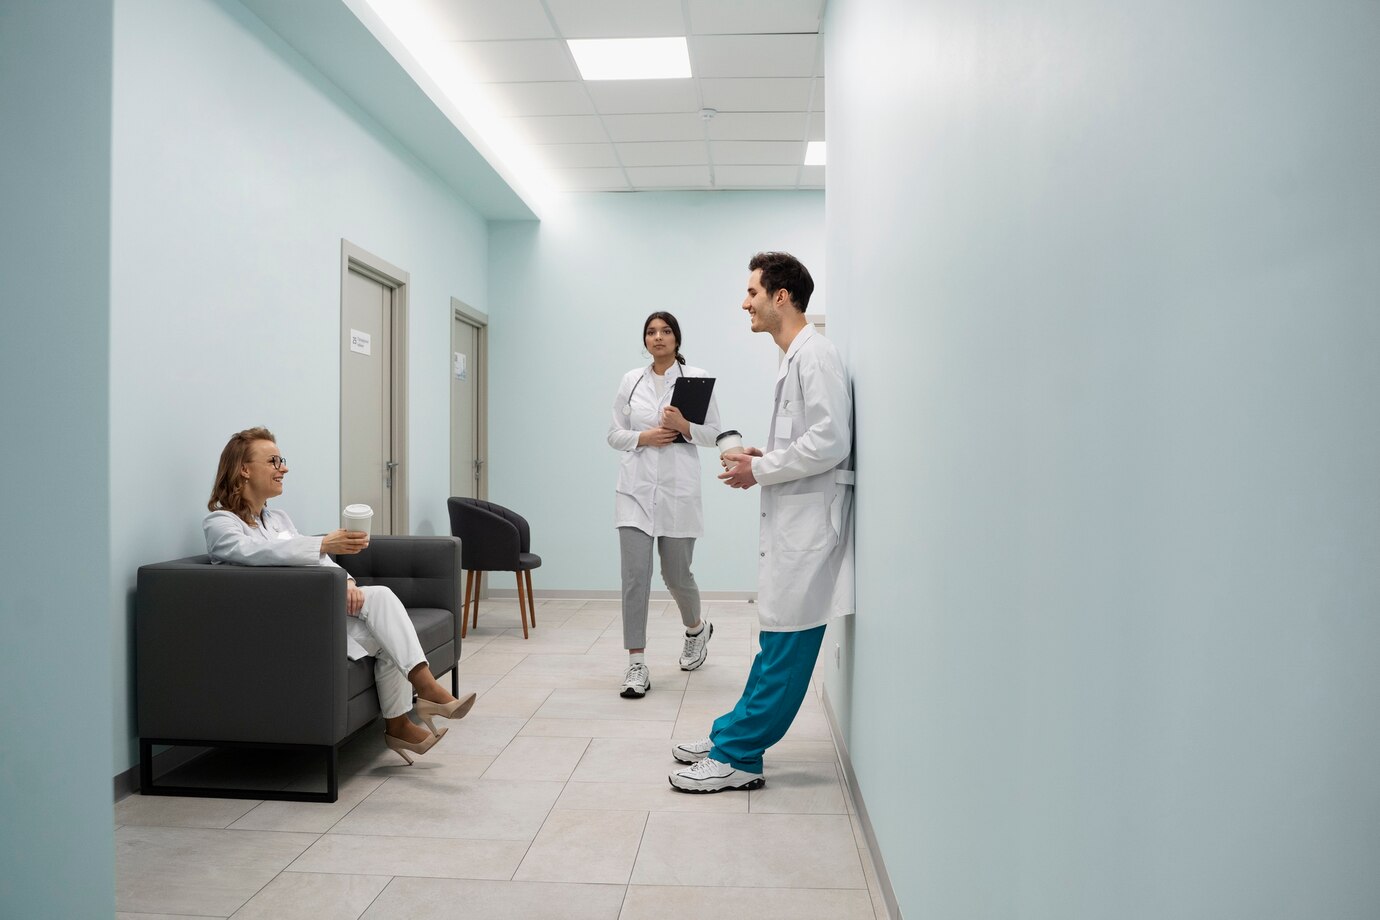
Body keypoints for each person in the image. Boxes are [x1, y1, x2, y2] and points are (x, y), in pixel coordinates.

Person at [669, 252, 854, 793]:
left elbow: (831, 440)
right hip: (794, 521)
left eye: (752, 292)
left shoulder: (815, 356)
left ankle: (740, 756)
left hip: (810, 530)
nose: (743, 302)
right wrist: (761, 457)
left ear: (781, 296)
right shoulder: (794, 358)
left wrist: (763, 469)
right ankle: (732, 732)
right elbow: (810, 439)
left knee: (787, 647)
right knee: (774, 641)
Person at [203, 427, 476, 765]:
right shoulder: (220, 524)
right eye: (273, 461)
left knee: (387, 627)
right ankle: (423, 696)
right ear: (244, 469)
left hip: (316, 614)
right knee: (382, 604)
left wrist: (345, 580)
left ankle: (401, 723)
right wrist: (322, 544)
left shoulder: (278, 518)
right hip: (279, 629)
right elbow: (255, 553)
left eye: (282, 460)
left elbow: (315, 558)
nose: (283, 468)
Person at [607, 312, 722, 697]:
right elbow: (614, 434)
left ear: (676, 339)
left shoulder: (696, 380)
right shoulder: (631, 381)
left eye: (666, 331)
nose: (659, 338)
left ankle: (696, 630)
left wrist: (684, 426)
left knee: (677, 576)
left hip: (677, 492)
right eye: (652, 332)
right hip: (635, 493)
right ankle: (636, 664)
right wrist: (644, 437)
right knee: (635, 578)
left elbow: (713, 435)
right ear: (645, 340)